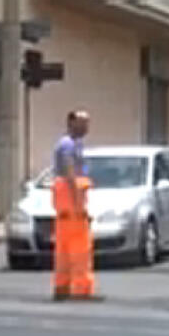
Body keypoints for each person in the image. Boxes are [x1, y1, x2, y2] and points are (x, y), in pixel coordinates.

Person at [51, 110, 97, 301]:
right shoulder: (68, 146)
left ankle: (62, 286)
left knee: (64, 251)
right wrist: (78, 202)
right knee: (80, 251)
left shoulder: (73, 144)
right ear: (71, 123)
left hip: (65, 208)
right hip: (72, 207)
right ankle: (80, 289)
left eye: (87, 122)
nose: (87, 126)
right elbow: (71, 175)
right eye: (82, 122)